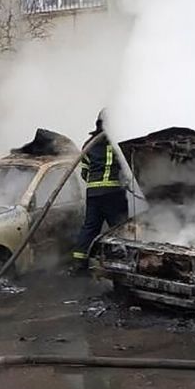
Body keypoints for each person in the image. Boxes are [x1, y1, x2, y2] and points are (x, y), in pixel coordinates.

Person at [70, 110, 128, 272]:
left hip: (93, 193)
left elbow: (84, 172)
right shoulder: (119, 142)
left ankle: (78, 264)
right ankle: (119, 262)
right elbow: (128, 171)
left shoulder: (89, 144)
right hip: (113, 193)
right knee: (118, 228)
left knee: (90, 227)